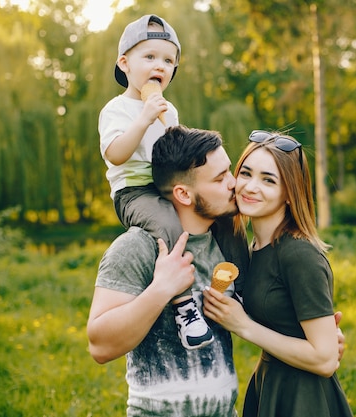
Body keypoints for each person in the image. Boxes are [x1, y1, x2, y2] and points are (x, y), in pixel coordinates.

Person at [87, 126, 250, 416]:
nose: (233, 183)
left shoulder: (227, 245)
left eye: (229, 171)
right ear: (183, 194)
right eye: (220, 177)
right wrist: (161, 289)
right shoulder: (137, 247)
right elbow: (100, 345)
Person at [203, 130, 354, 417]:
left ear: (289, 193)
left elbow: (324, 360)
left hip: (304, 399)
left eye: (268, 180)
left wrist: (243, 325)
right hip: (271, 387)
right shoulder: (256, 247)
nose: (250, 187)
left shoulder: (298, 254)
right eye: (245, 173)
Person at [98, 14, 213, 350]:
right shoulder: (116, 110)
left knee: (217, 205)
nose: (159, 66)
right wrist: (145, 117)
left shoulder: (169, 110)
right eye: (149, 57)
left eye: (168, 60)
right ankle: (184, 307)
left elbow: (174, 154)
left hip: (164, 183)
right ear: (124, 63)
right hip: (134, 192)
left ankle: (237, 282)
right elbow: (117, 154)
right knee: (167, 221)